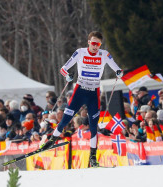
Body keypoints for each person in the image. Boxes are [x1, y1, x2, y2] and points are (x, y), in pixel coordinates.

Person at [41, 31, 123, 167]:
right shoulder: (80, 52)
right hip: (79, 91)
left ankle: (92, 158)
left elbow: (117, 69)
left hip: (94, 93)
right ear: (89, 42)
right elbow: (63, 69)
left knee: (93, 127)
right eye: (94, 43)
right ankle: (51, 141)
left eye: (99, 44)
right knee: (65, 120)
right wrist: (67, 75)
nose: (96, 47)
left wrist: (119, 72)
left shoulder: (104, 55)